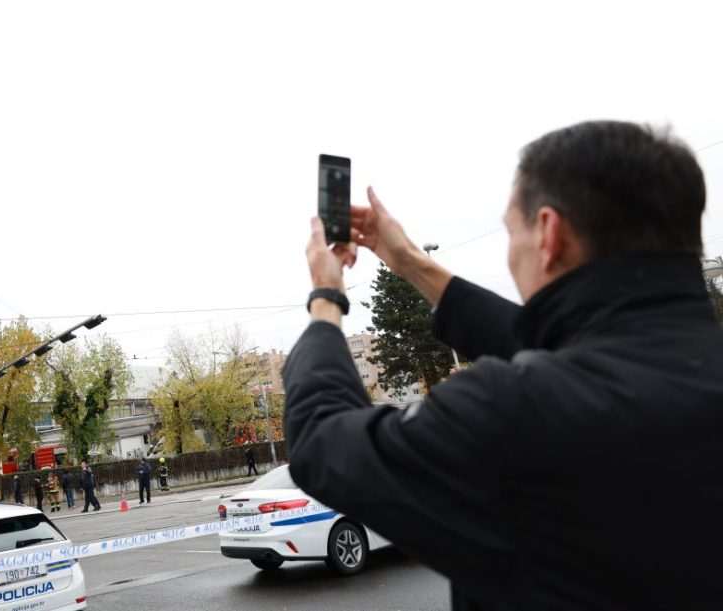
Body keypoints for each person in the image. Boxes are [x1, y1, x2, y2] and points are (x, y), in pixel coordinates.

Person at [282, 121, 723, 611]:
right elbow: (559, 347)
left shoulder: (515, 415)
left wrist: (326, 300)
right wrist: (408, 261)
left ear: (549, 234)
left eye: (511, 231)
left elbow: (322, 441)